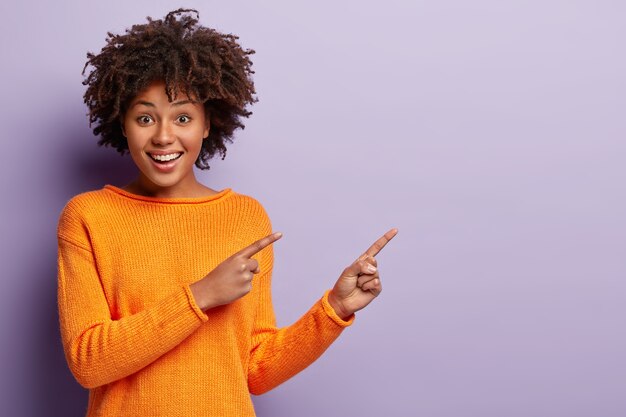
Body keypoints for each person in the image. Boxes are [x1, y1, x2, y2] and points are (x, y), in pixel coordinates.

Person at [57, 8, 397, 417]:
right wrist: (201, 295)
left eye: (182, 117)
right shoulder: (89, 216)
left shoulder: (245, 217)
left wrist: (334, 310)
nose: (164, 136)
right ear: (123, 123)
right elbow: (88, 363)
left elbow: (256, 370)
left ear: (206, 124)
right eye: (145, 117)